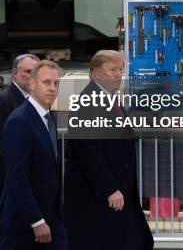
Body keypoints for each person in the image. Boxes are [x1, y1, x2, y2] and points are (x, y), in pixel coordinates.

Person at [64, 50, 153, 250]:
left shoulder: (111, 99)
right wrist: (109, 188)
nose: (118, 74)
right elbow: (88, 151)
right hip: (99, 196)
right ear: (96, 74)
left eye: (120, 69)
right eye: (112, 69)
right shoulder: (87, 103)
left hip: (118, 190)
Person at [0, 60, 68, 250]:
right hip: (25, 225)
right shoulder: (20, 121)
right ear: (32, 83)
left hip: (52, 219)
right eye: (46, 82)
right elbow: (18, 176)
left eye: (56, 83)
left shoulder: (48, 119)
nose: (53, 88)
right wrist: (36, 221)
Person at [0, 54, 40, 213]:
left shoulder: (36, 101)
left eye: (35, 73)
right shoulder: (1, 101)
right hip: (8, 186)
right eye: (28, 71)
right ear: (15, 73)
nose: (32, 77)